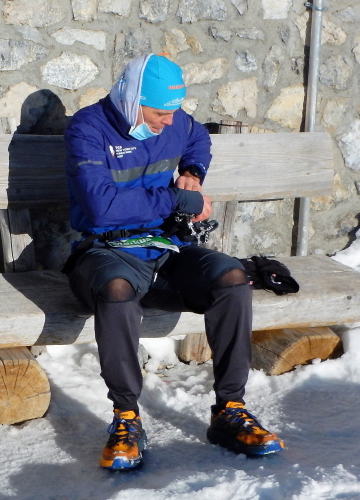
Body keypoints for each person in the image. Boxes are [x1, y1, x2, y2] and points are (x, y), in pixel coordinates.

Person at [63, 53, 285, 470]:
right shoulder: (88, 128)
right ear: (132, 100)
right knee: (116, 289)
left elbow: (198, 138)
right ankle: (126, 418)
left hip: (164, 248)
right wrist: (180, 199)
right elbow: (101, 207)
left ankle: (230, 410)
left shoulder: (174, 122)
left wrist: (193, 173)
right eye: (159, 113)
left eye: (172, 112)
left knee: (233, 277)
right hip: (105, 251)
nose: (168, 122)